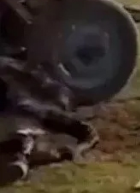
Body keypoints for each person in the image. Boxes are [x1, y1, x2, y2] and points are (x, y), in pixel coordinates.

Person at [0, 57, 98, 185]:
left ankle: (17, 159)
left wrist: (77, 149)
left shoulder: (28, 109)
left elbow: (87, 132)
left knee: (19, 127)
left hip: (23, 125)